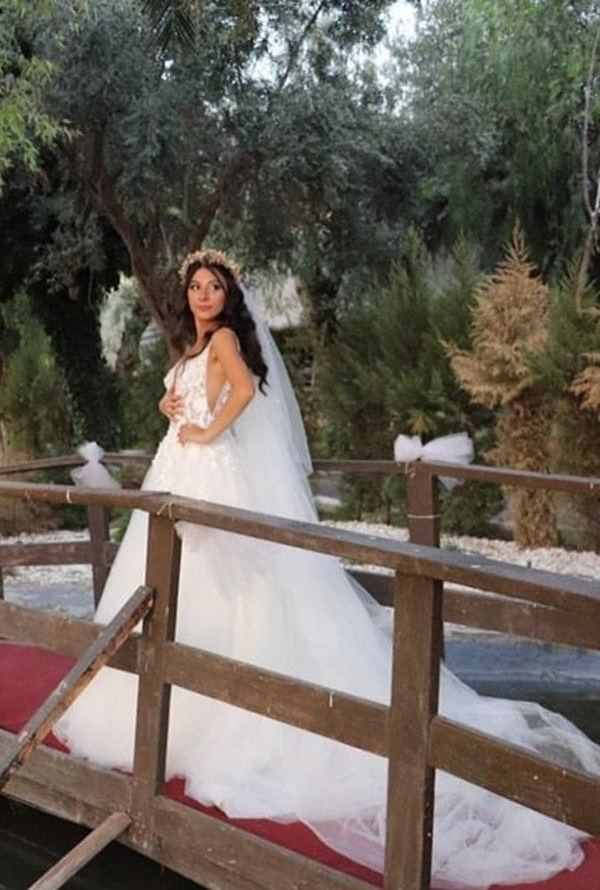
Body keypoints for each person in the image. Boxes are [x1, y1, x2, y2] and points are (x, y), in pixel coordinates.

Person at [56, 249, 600, 889]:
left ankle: (217, 715)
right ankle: (167, 706)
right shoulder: (193, 345)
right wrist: (174, 411)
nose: (203, 295)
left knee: (222, 587)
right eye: (196, 286)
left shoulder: (225, 339)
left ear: (228, 296)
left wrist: (206, 432)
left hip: (209, 474)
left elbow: (244, 393)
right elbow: (179, 396)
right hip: (176, 473)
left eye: (213, 286)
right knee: (176, 584)